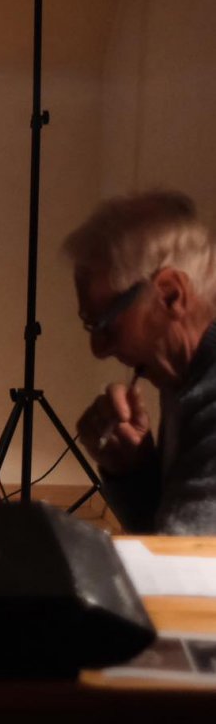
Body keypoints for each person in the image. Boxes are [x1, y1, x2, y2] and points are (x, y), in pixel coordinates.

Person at [66, 190, 216, 534]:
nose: (98, 349)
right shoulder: (185, 378)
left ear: (171, 294)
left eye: (105, 324)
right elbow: (166, 539)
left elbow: (178, 562)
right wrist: (132, 470)